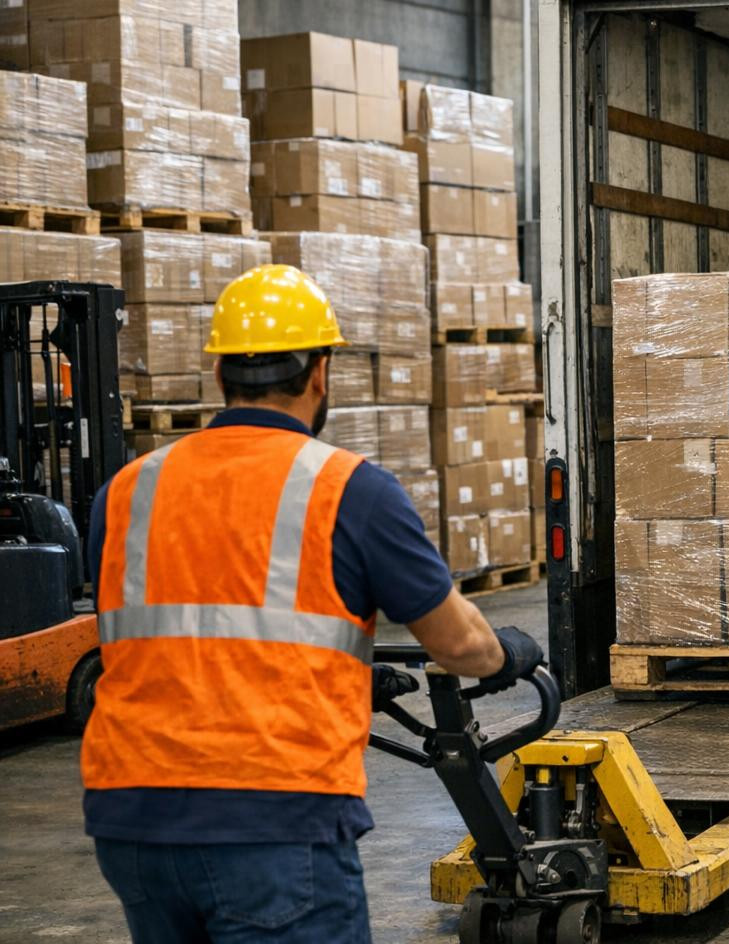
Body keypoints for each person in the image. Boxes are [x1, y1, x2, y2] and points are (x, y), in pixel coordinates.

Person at [81, 265, 545, 942]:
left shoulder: (125, 491)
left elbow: (181, 643)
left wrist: (347, 679)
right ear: (321, 371)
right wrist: (510, 651)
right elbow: (459, 646)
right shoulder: (348, 489)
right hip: (271, 818)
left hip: (131, 819)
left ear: (220, 377)